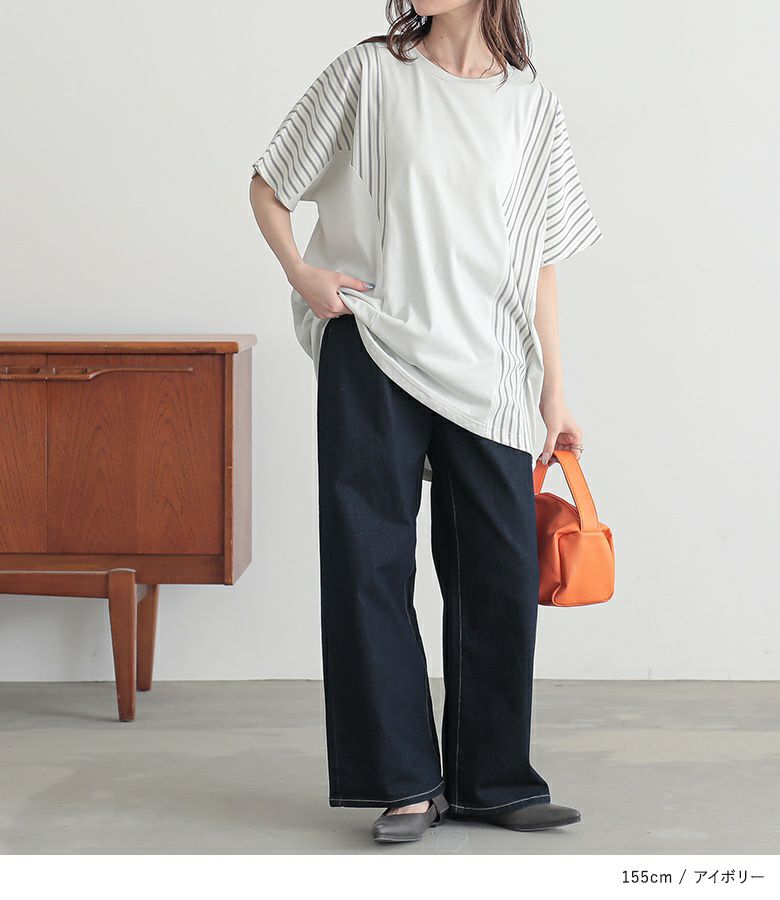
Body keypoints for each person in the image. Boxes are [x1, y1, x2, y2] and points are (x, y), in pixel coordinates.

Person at [249, 0, 601, 844]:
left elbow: (539, 259)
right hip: (373, 342)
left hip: (490, 364)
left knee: (499, 568)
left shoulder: (531, 105)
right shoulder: (371, 73)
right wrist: (303, 273)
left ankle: (492, 780)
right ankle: (403, 781)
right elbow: (270, 182)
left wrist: (555, 387)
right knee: (369, 564)